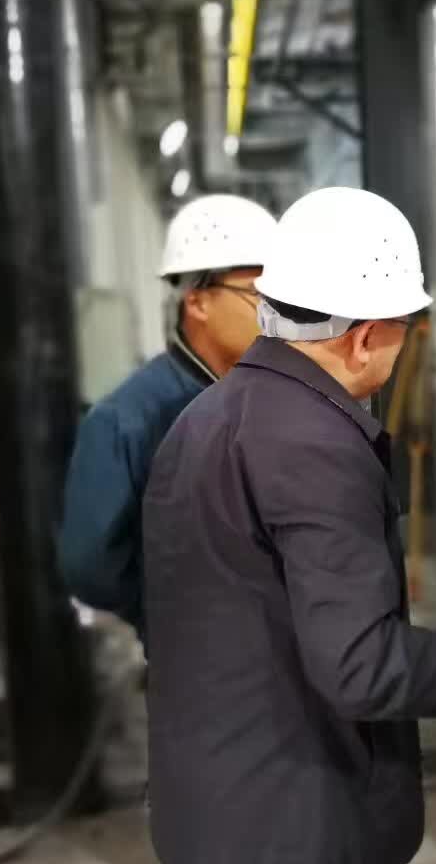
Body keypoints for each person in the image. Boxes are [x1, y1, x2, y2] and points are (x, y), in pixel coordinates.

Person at [142, 186, 436, 864]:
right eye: (403, 327)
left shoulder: (201, 418)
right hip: (292, 838)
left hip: (208, 816)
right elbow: (360, 666)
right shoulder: (318, 446)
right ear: (365, 336)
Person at [58, 194, 275, 646]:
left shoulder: (274, 395)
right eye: (261, 296)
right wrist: (175, 608)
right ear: (198, 302)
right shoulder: (128, 420)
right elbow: (90, 567)